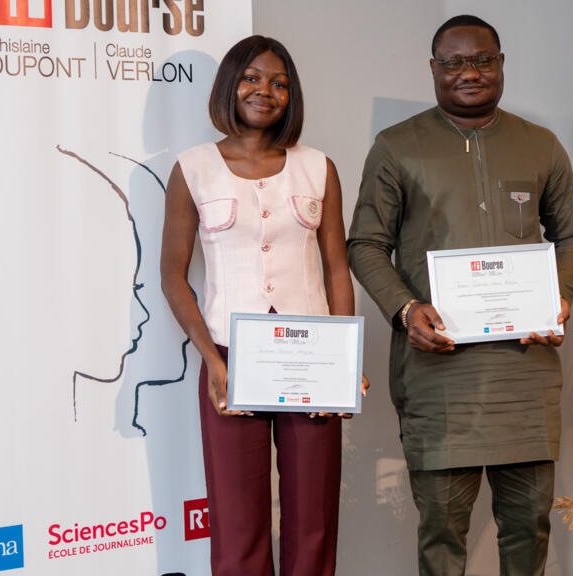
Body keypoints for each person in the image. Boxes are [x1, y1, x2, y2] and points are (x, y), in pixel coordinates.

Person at [347, 15, 573, 576]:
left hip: (524, 375)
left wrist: (559, 296)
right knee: (442, 536)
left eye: (482, 60)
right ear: (434, 69)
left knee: (528, 529)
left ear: (500, 64)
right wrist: (406, 309)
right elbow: (365, 243)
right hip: (439, 377)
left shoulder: (540, 145)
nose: (469, 73)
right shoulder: (397, 147)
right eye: (454, 63)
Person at [160, 35, 365, 576]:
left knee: (313, 518)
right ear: (230, 85)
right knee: (236, 524)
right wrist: (212, 361)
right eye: (251, 78)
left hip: (311, 358)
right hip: (228, 359)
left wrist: (345, 362)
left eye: (279, 82)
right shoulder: (193, 168)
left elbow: (337, 268)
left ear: (291, 96)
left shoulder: (318, 167)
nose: (264, 90)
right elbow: (172, 276)